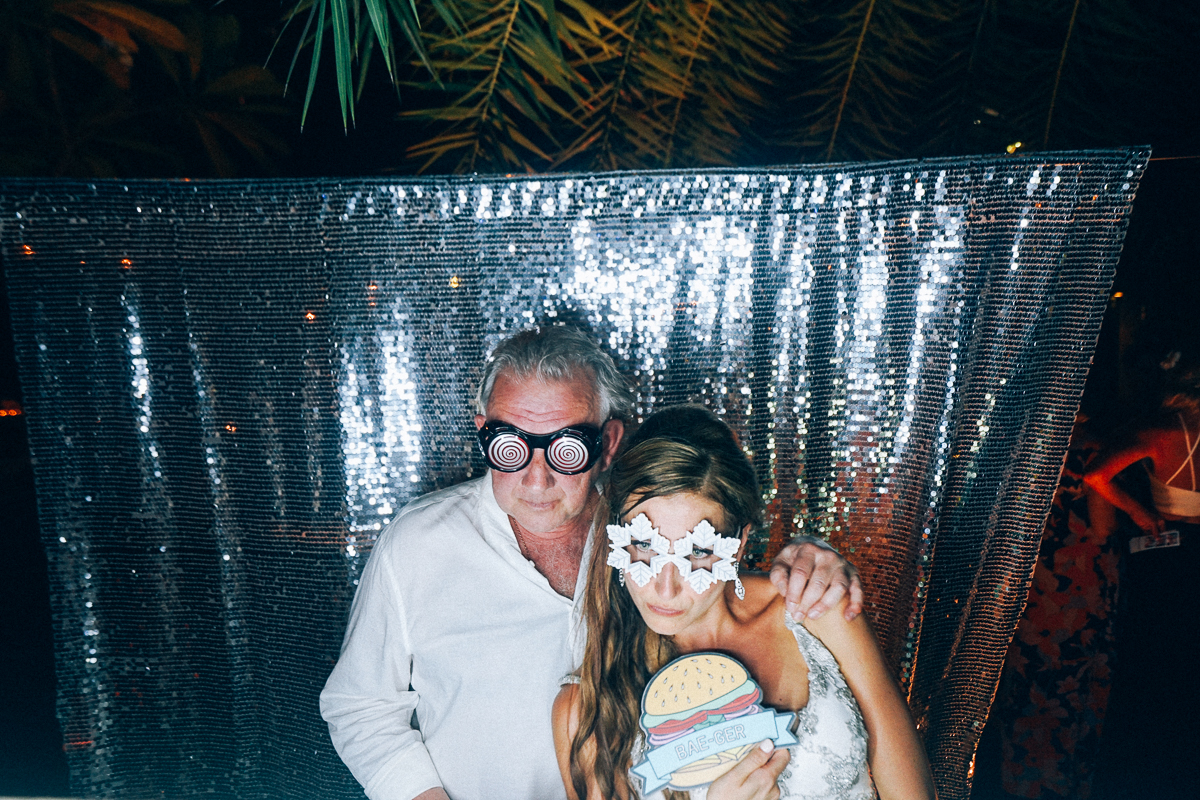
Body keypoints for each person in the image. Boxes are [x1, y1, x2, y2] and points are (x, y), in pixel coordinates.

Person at [320, 326, 863, 800]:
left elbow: (715, 558)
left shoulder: (648, 535)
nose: (536, 478)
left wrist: (806, 557)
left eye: (566, 447)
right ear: (483, 429)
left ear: (609, 442)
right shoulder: (416, 545)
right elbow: (359, 707)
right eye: (509, 444)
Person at [553, 405, 934, 800]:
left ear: (738, 546)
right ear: (616, 536)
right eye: (644, 546)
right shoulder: (584, 712)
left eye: (697, 552)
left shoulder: (813, 607)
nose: (666, 589)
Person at [1082, 361, 1200, 795]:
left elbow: (1095, 474)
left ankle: (1146, 766)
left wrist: (1137, 511)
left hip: (1166, 553)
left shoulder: (1159, 431)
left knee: (1154, 659)